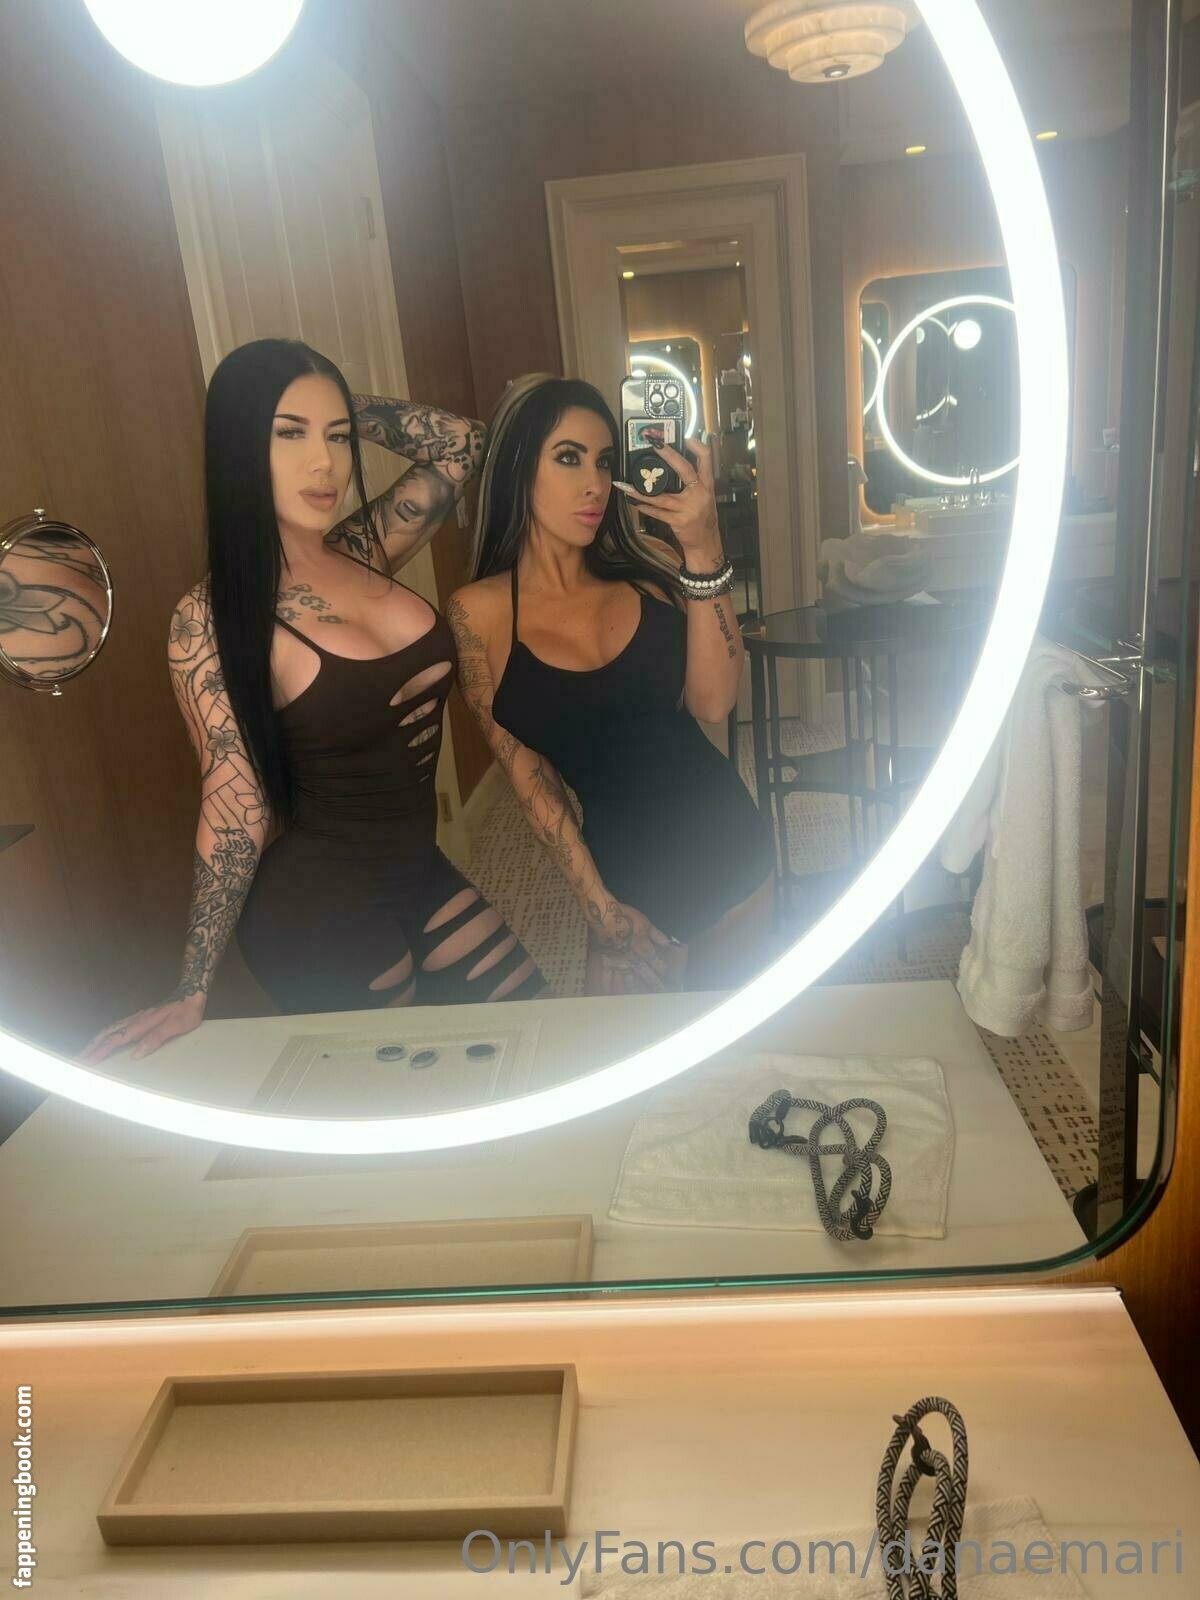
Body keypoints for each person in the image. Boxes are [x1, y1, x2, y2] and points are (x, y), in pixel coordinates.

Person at [83, 339, 542, 1064]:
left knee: (530, 1037)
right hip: (316, 900)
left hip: (416, 868)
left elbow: (462, 443)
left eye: (337, 436)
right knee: (392, 1096)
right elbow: (232, 804)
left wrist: (339, 400)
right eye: (289, 433)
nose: (324, 463)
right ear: (240, 445)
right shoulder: (211, 617)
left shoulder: (362, 549)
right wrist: (192, 985)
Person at [446, 374, 775, 997]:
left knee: (735, 1041)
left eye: (604, 461)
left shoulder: (650, 569)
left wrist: (703, 543)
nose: (595, 483)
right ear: (517, 467)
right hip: (628, 877)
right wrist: (598, 907)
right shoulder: (478, 614)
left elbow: (714, 702)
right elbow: (529, 779)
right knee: (624, 1049)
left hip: (731, 846)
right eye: (568, 458)